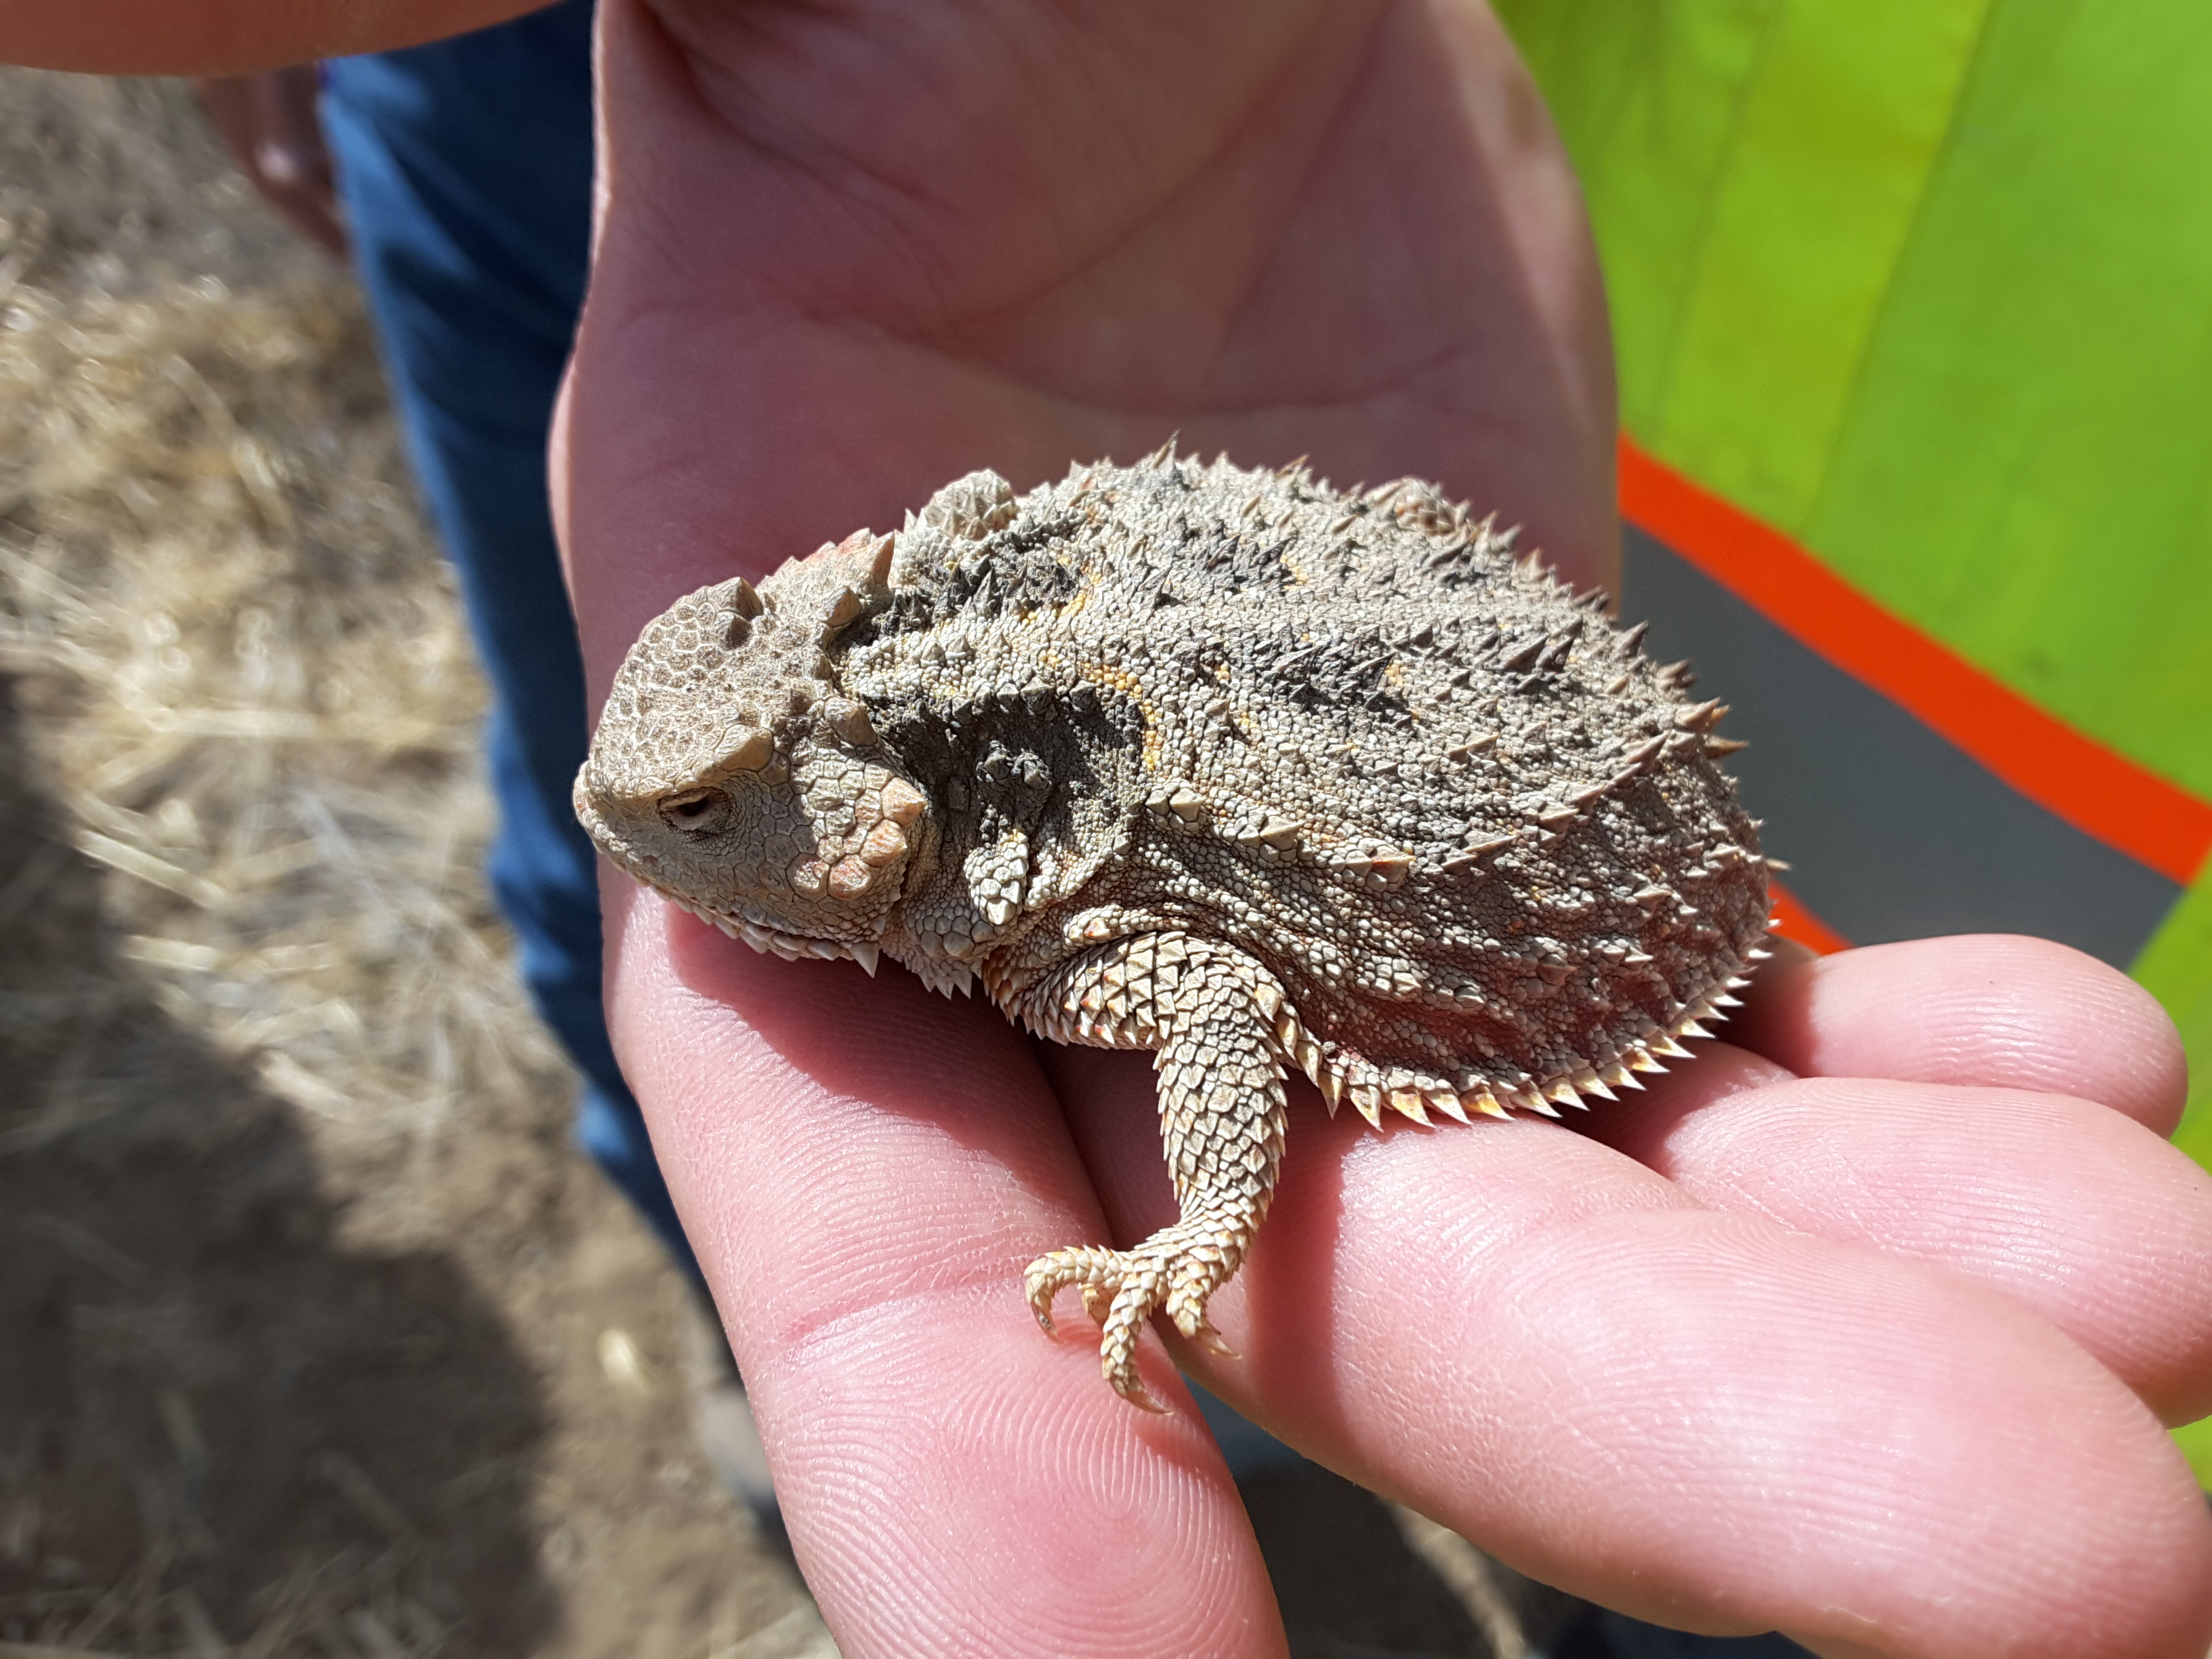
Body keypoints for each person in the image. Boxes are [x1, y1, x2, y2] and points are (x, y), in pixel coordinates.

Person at [17, 5, 2212, 1656]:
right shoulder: (908, 639)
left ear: (861, 815)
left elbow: (1214, 1000)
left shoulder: (1072, 924)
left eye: (709, 805)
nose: (645, 813)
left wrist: (1196, 1239)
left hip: (1574, 833)